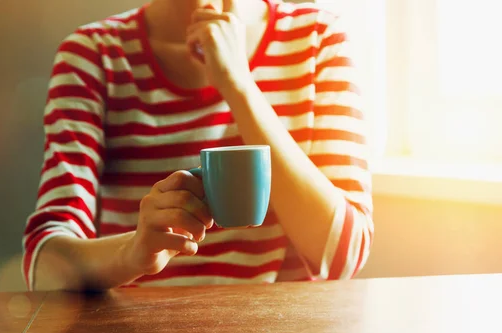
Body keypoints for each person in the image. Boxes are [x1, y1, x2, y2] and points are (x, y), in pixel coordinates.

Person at [22, 0, 374, 291]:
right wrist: (135, 252)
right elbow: (47, 268)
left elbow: (344, 254)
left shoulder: (318, 39)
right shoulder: (94, 55)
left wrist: (238, 85)